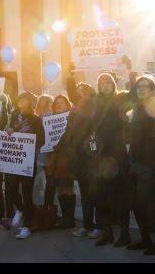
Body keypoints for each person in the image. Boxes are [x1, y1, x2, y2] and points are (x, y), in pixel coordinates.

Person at [86, 72, 131, 247]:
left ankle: (125, 233)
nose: (105, 85)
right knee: (100, 196)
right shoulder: (94, 103)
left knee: (120, 196)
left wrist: (129, 71)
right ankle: (107, 232)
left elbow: (133, 95)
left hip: (117, 153)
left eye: (108, 82)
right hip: (99, 154)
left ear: (113, 84)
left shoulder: (119, 99)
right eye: (101, 82)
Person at [127, 74, 155, 255]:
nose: (141, 89)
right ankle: (145, 240)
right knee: (137, 205)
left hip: (151, 165)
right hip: (136, 162)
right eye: (138, 86)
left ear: (152, 89)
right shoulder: (136, 108)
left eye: (145, 86)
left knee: (153, 206)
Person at [0, 91, 45, 240]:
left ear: (29, 103)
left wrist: (25, 139)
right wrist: (9, 131)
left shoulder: (36, 119)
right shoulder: (14, 117)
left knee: (27, 193)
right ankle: (20, 209)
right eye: (19, 101)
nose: (21, 104)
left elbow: (41, 139)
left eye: (24, 101)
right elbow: (9, 133)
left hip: (28, 161)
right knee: (10, 189)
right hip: (13, 160)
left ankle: (26, 226)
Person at [61, 77, 98, 238]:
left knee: (96, 192)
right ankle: (88, 225)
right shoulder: (74, 109)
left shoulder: (92, 106)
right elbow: (69, 131)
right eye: (79, 88)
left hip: (90, 156)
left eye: (84, 88)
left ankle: (100, 226)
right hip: (77, 156)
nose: (80, 90)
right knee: (85, 193)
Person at [47, 94, 75, 229]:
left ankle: (70, 219)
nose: (59, 104)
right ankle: (65, 218)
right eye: (56, 103)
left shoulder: (72, 119)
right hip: (54, 158)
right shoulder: (48, 120)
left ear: (67, 105)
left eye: (62, 102)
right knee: (59, 189)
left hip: (67, 158)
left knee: (67, 189)